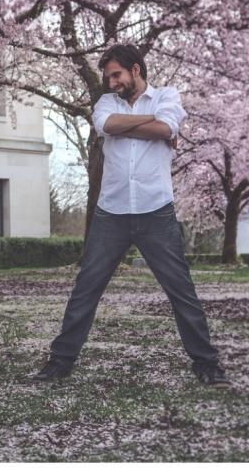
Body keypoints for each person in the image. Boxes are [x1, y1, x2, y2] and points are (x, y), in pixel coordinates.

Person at [32, 44, 230, 388]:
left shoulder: (167, 95)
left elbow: (165, 129)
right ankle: (60, 361)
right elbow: (108, 124)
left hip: (156, 211)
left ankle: (207, 364)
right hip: (112, 212)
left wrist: (144, 127)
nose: (112, 83)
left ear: (136, 69)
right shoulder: (107, 103)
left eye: (117, 75)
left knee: (181, 290)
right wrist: (151, 122)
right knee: (86, 289)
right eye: (108, 77)